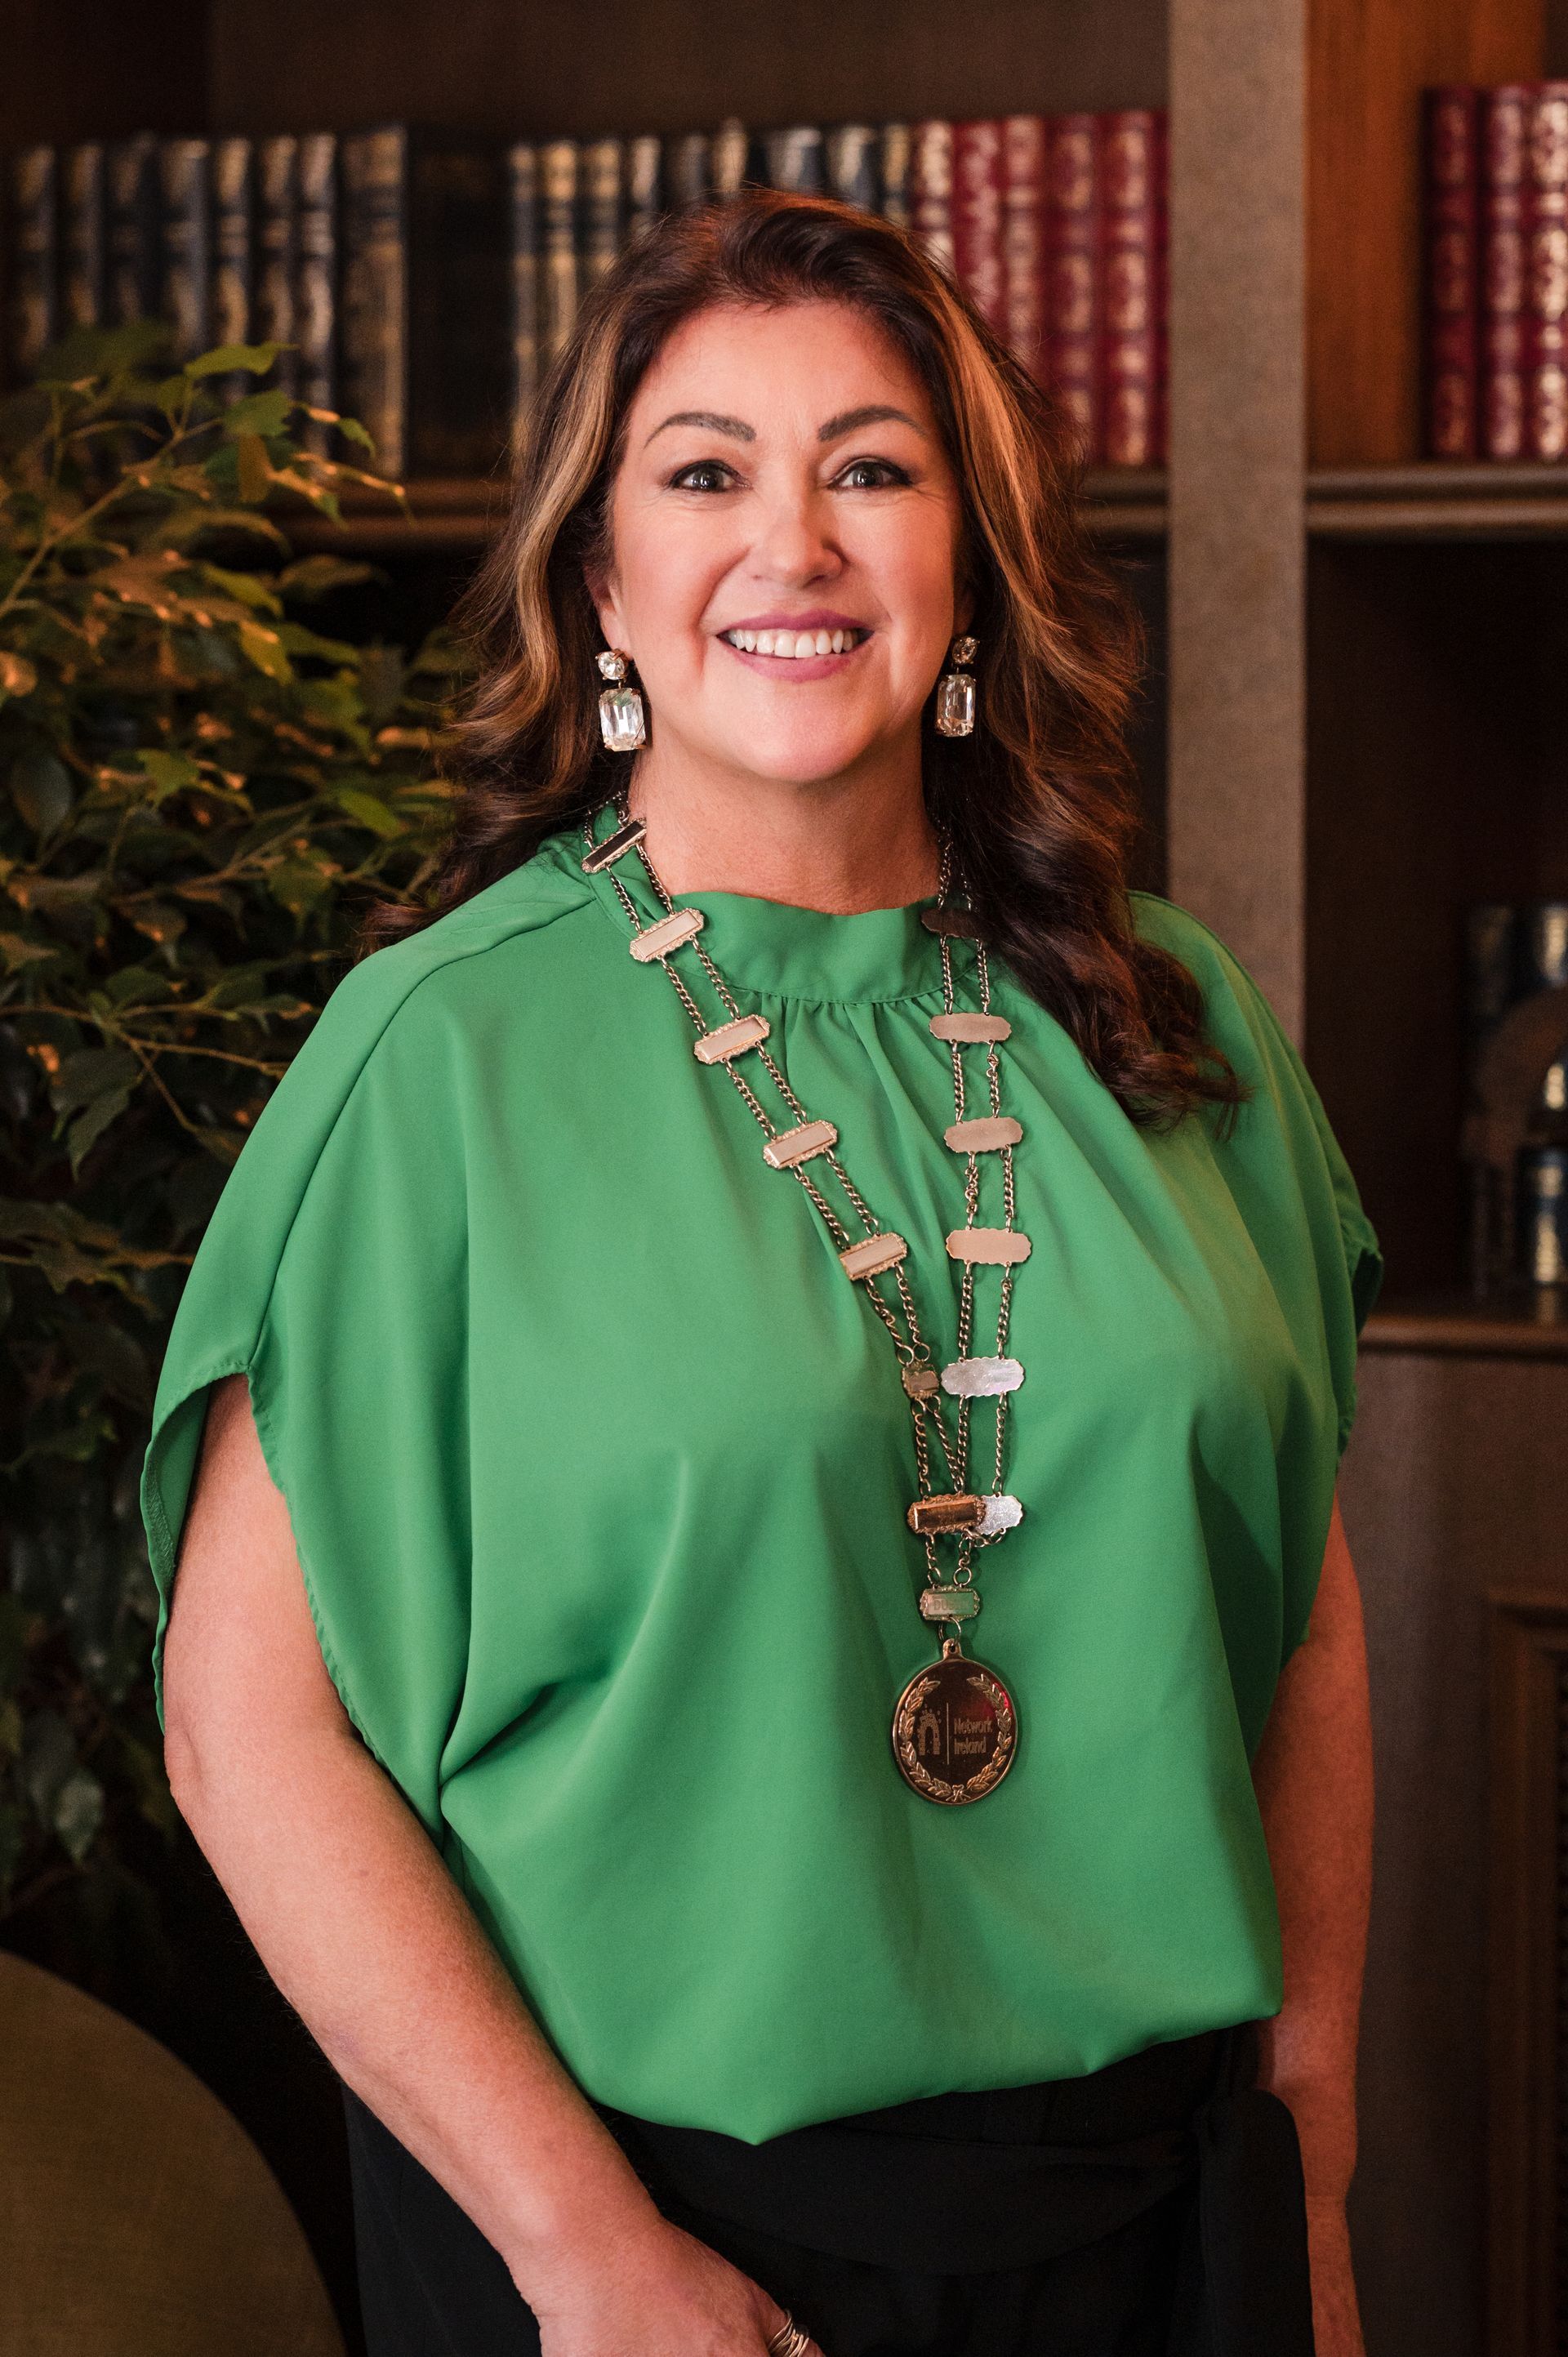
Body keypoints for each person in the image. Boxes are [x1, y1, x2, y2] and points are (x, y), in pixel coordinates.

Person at [144, 191, 1383, 2357]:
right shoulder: (439, 1059)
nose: (792, 543)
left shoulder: (1178, 1020)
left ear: (971, 564)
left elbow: (1296, 1621)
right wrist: (584, 2256)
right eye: (706, 471)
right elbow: (250, 1733)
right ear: (600, 579)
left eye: (873, 471)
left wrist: (1320, 2178)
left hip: (1161, 2223)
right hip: (646, 2238)